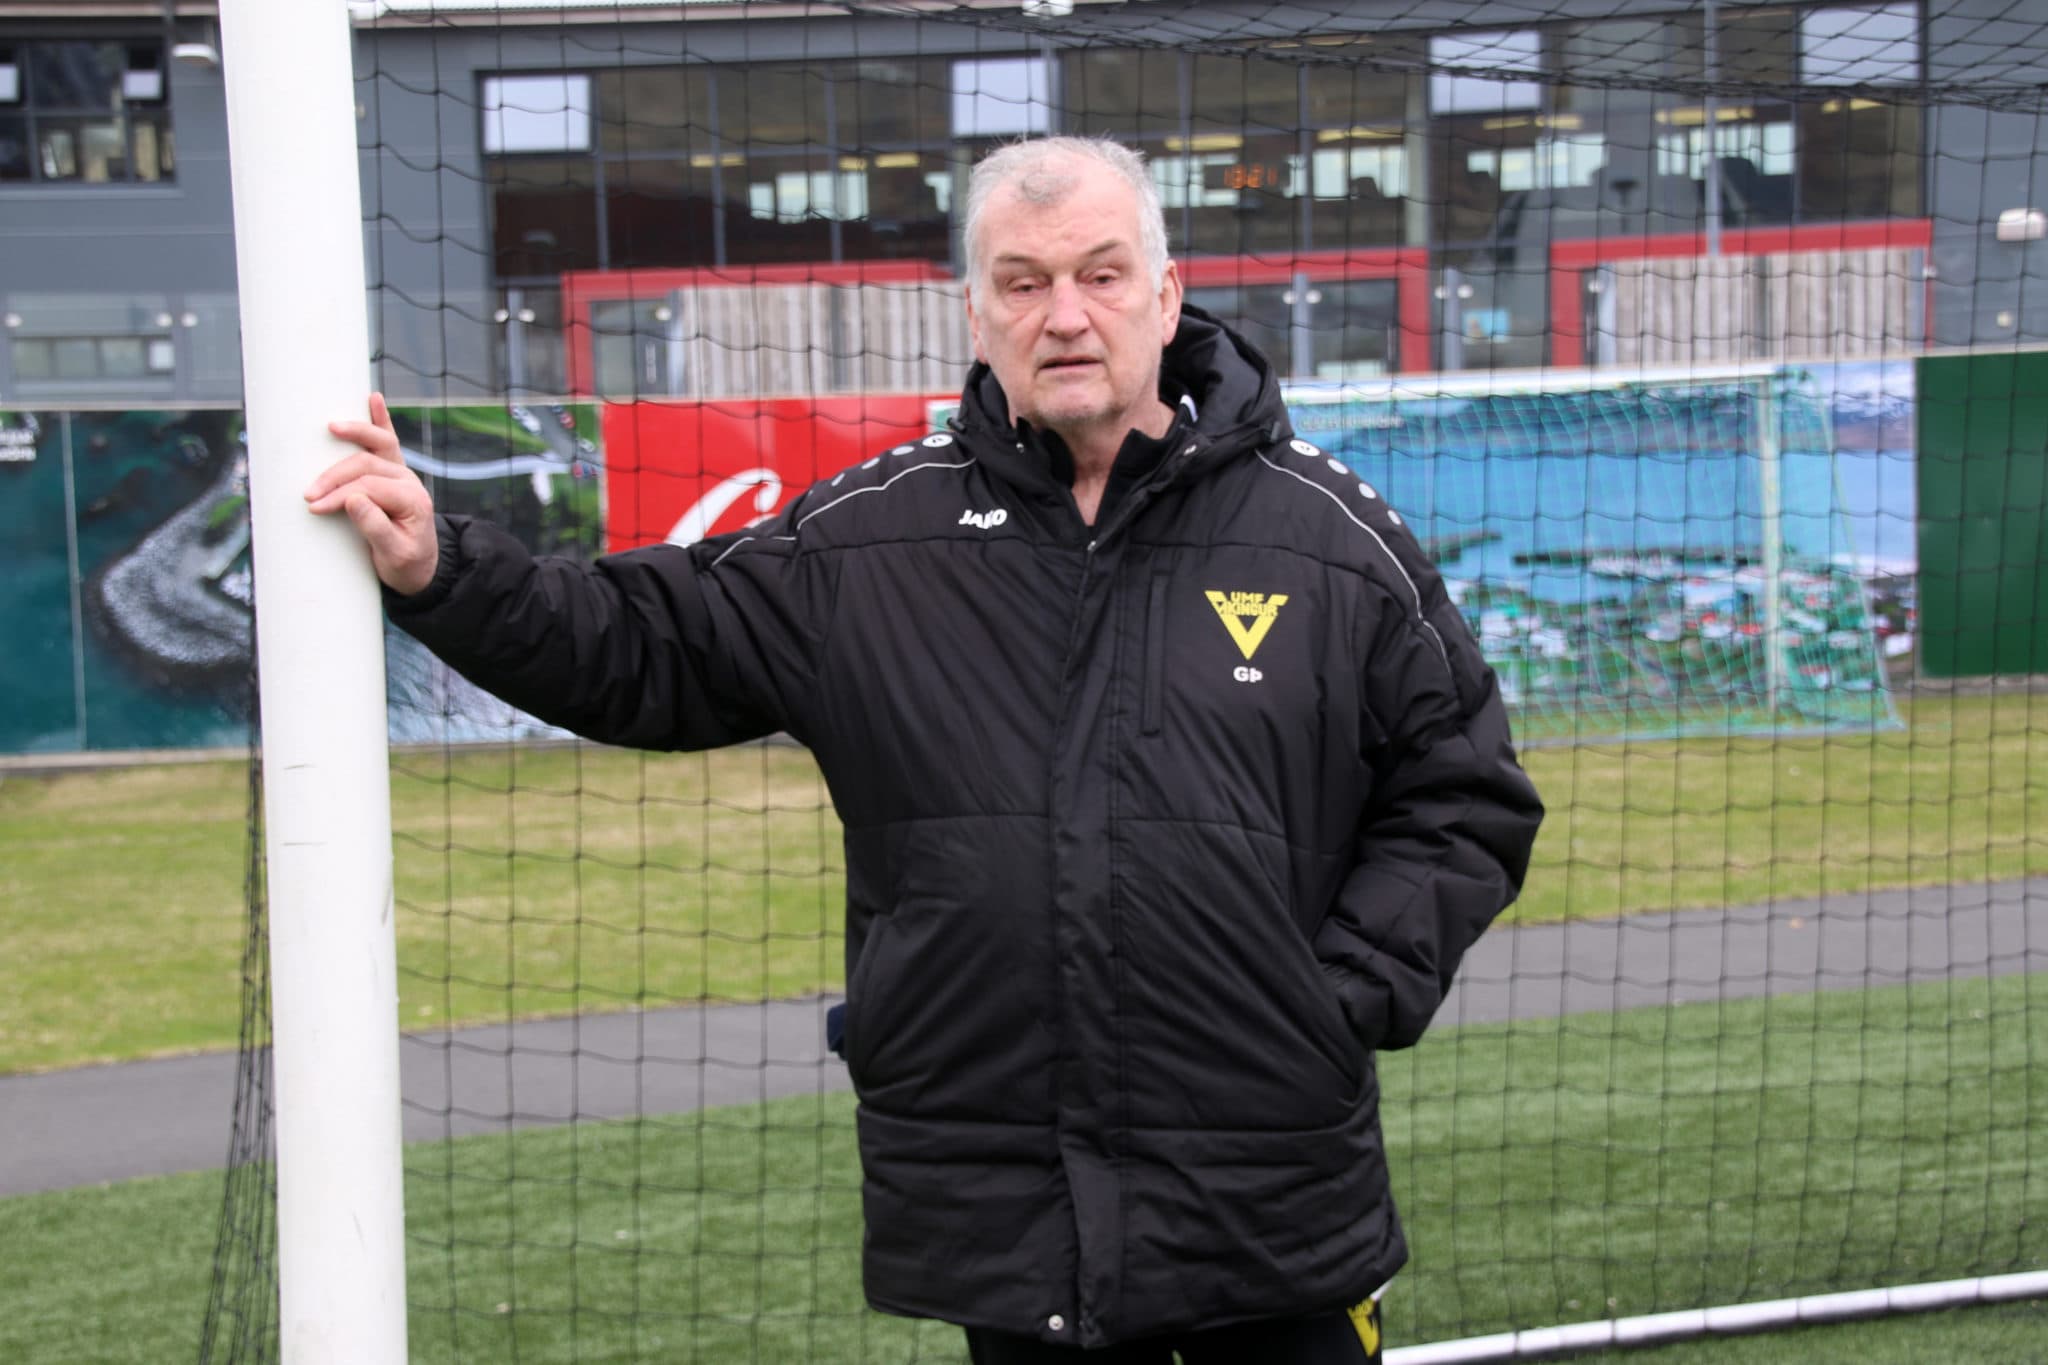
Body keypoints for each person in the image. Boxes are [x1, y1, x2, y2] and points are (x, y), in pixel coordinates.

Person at [308, 135, 1543, 1364]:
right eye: (1023, 282)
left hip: (1271, 1198)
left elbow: (1463, 796)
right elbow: (638, 644)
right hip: (1011, 1219)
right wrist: (440, 567)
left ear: (1165, 298)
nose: (1065, 315)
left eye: (1101, 275)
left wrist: (1327, 1003)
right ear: (975, 314)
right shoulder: (868, 541)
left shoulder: (1326, 537)